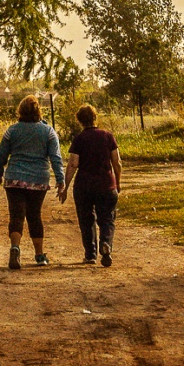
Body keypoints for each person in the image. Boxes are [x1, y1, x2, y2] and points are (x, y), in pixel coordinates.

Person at [0, 94, 64, 269]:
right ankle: (39, 255)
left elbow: (1, 155)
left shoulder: (12, 130)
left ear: (20, 111)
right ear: (39, 110)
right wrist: (60, 179)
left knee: (16, 215)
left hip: (14, 178)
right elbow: (56, 157)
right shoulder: (48, 132)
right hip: (38, 179)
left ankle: (15, 248)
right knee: (34, 216)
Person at [59, 103, 121, 267]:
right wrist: (118, 182)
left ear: (80, 121)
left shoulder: (79, 138)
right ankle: (106, 243)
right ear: (95, 117)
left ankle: (90, 254)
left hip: (84, 186)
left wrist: (65, 186)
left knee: (86, 220)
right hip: (107, 184)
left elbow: (73, 164)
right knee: (107, 219)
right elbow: (117, 162)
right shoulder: (108, 136)